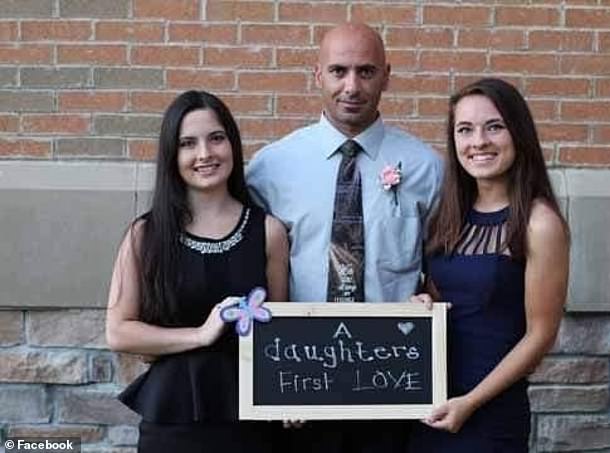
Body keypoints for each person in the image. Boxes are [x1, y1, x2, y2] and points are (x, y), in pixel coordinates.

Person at [246, 23, 442, 453]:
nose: (351, 86)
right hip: (301, 383)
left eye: (366, 72)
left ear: (386, 75)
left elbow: (443, 266)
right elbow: (248, 276)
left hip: (391, 382)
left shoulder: (427, 169)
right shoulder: (270, 169)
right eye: (338, 71)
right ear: (317, 74)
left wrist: (428, 296)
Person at [106, 90, 289, 453]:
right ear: (172, 156)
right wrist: (200, 335)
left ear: (232, 144)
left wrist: (289, 397)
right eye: (188, 143)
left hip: (250, 423)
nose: (205, 154)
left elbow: (278, 334)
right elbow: (119, 332)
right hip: (172, 422)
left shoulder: (268, 232)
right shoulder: (145, 235)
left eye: (216, 138)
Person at [408, 78, 570, 452]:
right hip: (431, 405)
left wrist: (471, 402)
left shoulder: (539, 223)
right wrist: (421, 303)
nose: (478, 141)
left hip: (489, 415)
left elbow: (540, 335)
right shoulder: (448, 216)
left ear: (518, 133)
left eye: (494, 127)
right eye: (465, 130)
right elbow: (442, 296)